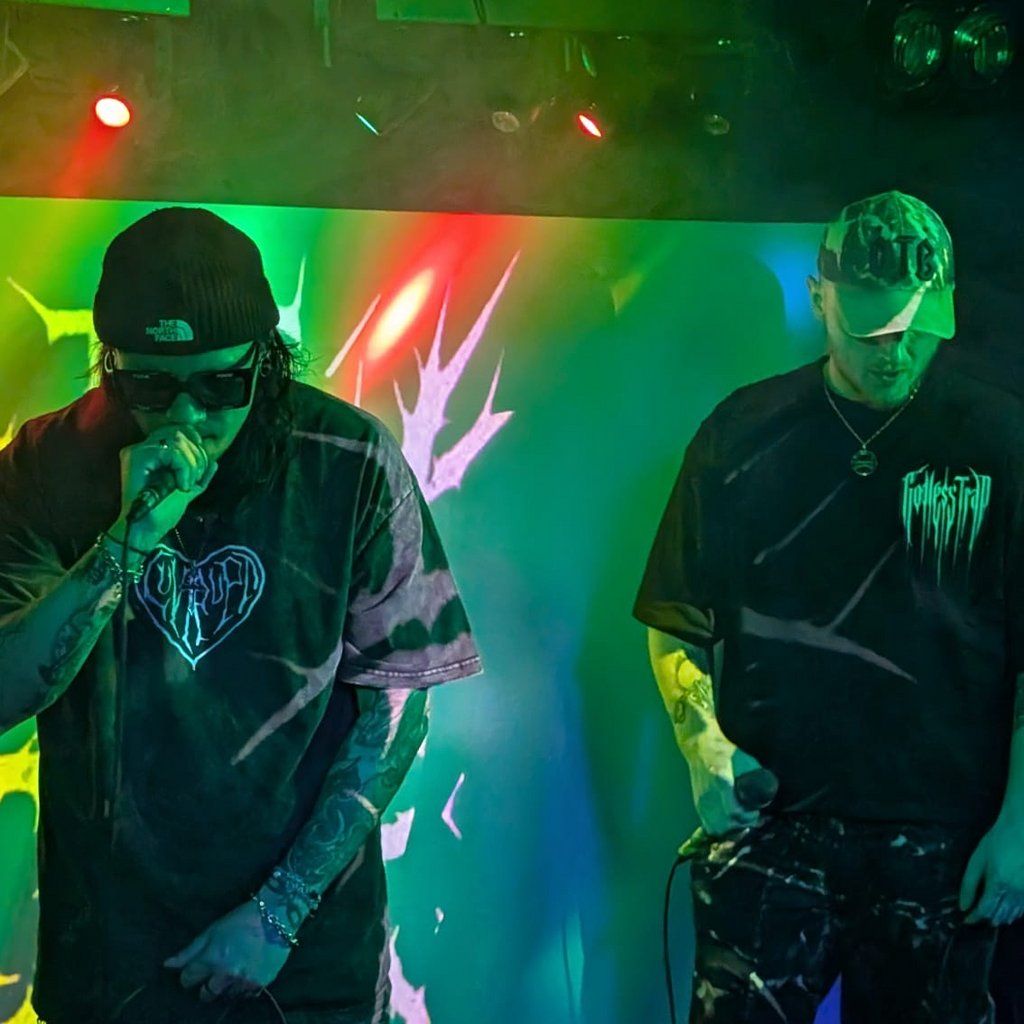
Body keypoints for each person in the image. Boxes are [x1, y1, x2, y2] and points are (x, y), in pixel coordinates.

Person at [0, 207, 482, 1024]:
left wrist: (278, 912)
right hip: (111, 950)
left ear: (267, 358)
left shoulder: (349, 461)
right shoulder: (48, 465)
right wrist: (125, 544)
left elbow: (397, 705)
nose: (186, 416)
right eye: (151, 387)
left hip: (303, 953)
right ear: (111, 368)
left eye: (220, 384)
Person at [634, 190, 1024, 1024]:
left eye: (917, 330)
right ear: (820, 299)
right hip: (772, 826)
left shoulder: (1001, 440)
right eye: (871, 331)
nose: (896, 351)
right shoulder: (742, 432)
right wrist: (703, 749)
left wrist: (1021, 827)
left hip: (943, 836)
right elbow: (675, 617)